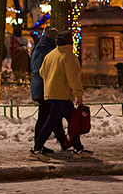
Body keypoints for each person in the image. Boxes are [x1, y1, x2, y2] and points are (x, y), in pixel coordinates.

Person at [30, 31, 93, 161]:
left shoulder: (50, 55)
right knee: (51, 122)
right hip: (62, 96)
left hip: (51, 94)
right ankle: (36, 149)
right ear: (70, 42)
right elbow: (73, 78)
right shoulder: (68, 56)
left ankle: (78, 148)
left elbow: (42, 72)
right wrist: (78, 94)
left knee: (72, 121)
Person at [30, 27, 66, 154]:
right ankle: (38, 145)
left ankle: (62, 141)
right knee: (46, 116)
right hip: (46, 86)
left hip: (38, 85)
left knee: (52, 116)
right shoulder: (50, 50)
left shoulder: (38, 48)